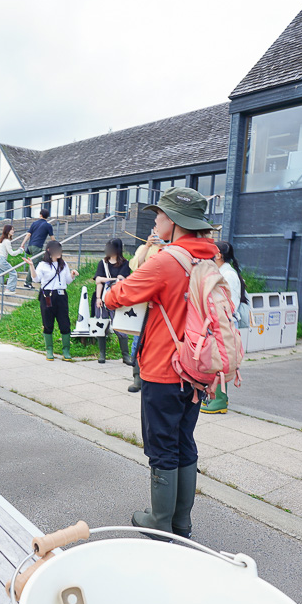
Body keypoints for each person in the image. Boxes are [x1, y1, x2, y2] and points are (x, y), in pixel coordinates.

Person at [104, 187, 219, 540]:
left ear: (174, 221)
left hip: (164, 367)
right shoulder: (209, 258)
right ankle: (181, 523)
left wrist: (119, 285)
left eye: (160, 214)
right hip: (197, 368)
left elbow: (115, 297)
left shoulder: (168, 260)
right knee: (184, 440)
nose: (155, 219)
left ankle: (159, 521)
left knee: (161, 445)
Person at [201, 240, 248, 415]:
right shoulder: (226, 272)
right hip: (222, 323)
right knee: (220, 360)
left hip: (223, 324)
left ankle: (218, 400)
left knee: (220, 361)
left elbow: (229, 303)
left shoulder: (227, 275)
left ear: (218, 255)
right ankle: (219, 398)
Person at [125, 231, 166, 393]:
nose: (157, 234)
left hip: (161, 303)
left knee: (157, 341)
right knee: (138, 338)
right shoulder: (144, 248)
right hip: (143, 302)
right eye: (154, 232)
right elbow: (134, 266)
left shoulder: (170, 250)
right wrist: (148, 246)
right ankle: (137, 377)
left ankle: (154, 376)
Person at [25, 240, 78, 361]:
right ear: (49, 250)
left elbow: (67, 281)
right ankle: (49, 350)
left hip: (61, 296)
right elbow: (36, 279)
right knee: (48, 322)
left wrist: (72, 274)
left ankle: (66, 350)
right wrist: (31, 266)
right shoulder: (43, 265)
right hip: (47, 296)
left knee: (65, 322)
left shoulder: (63, 264)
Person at [93, 238, 132, 365]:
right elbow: (97, 281)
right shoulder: (102, 263)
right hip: (102, 299)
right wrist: (98, 298)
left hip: (117, 300)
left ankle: (125, 355)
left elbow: (121, 280)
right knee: (101, 324)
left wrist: (105, 279)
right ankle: (102, 354)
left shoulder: (125, 263)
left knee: (120, 327)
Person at [20, 209, 55, 289]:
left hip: (31, 246)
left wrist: (23, 243)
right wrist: (56, 245)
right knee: (34, 264)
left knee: (43, 260)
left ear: (40, 215)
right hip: (37, 247)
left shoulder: (34, 223)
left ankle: (39, 277)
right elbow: (52, 238)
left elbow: (28, 234)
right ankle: (27, 282)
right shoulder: (48, 225)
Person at [0, 224, 22, 301]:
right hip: (1, 259)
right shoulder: (7, 241)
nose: (13, 231)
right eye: (11, 230)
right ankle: (9, 289)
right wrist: (20, 250)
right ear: (7, 231)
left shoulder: (2, 240)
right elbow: (12, 253)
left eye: (13, 229)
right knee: (13, 272)